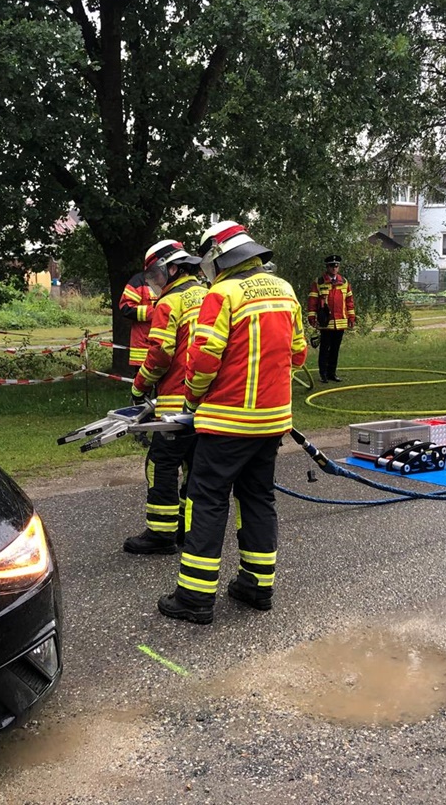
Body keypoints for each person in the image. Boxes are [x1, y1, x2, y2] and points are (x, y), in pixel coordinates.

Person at [157, 221, 307, 624]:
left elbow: (203, 360)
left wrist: (190, 398)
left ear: (218, 257)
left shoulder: (221, 295)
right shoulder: (286, 290)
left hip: (225, 423)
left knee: (206, 500)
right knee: (258, 498)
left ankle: (194, 598)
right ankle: (257, 587)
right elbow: (299, 355)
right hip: (272, 423)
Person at [125, 239, 207, 555]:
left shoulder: (170, 303)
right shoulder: (209, 294)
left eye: (157, 275)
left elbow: (159, 354)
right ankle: (188, 530)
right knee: (194, 465)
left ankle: (161, 534)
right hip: (208, 403)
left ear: (172, 268)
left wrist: (139, 386)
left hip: (175, 402)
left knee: (160, 464)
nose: (156, 283)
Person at [306, 254, 355, 382]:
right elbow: (312, 301)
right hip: (326, 322)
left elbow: (349, 301)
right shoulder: (319, 282)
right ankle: (323, 375)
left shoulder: (344, 282)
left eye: (336, 266)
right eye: (332, 266)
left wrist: (351, 317)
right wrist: (312, 317)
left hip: (340, 322)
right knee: (324, 349)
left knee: (335, 350)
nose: (334, 268)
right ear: (327, 267)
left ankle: (332, 373)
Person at [119, 267, 157, 369]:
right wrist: (155, 312)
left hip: (167, 348)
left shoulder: (172, 281)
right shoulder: (139, 280)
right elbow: (126, 308)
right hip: (143, 348)